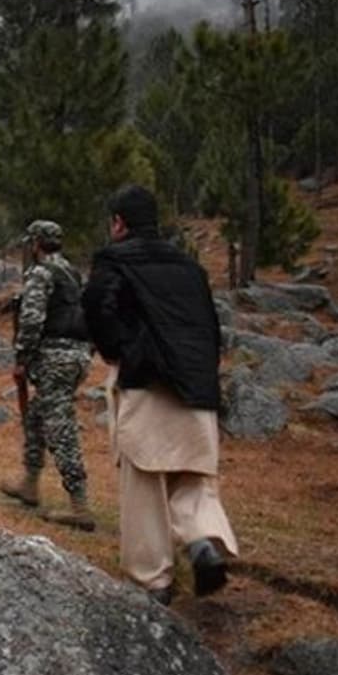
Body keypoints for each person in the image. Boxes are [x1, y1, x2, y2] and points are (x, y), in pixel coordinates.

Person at [82, 184, 237, 606]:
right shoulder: (190, 268)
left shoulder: (114, 260)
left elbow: (95, 304)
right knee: (193, 478)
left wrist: (118, 351)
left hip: (147, 383)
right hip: (198, 389)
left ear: (119, 223)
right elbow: (211, 327)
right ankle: (203, 542)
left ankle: (153, 581)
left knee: (144, 485)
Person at [0, 220, 95, 531]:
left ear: (36, 243)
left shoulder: (41, 274)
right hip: (78, 355)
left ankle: (80, 505)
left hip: (55, 357)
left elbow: (32, 319)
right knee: (36, 415)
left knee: (60, 427)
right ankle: (29, 482)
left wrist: (22, 358)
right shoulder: (71, 273)